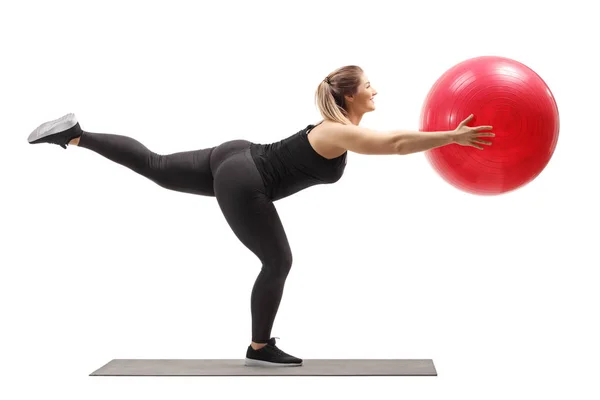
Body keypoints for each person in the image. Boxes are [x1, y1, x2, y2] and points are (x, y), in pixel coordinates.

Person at [27, 65, 494, 367]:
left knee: (156, 166)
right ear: (351, 97)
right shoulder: (337, 132)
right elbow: (394, 145)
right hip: (246, 178)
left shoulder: (338, 127)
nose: (376, 90)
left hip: (237, 154)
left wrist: (446, 137)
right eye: (369, 85)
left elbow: (390, 139)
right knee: (278, 261)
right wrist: (450, 136)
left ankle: (75, 135)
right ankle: (260, 346)